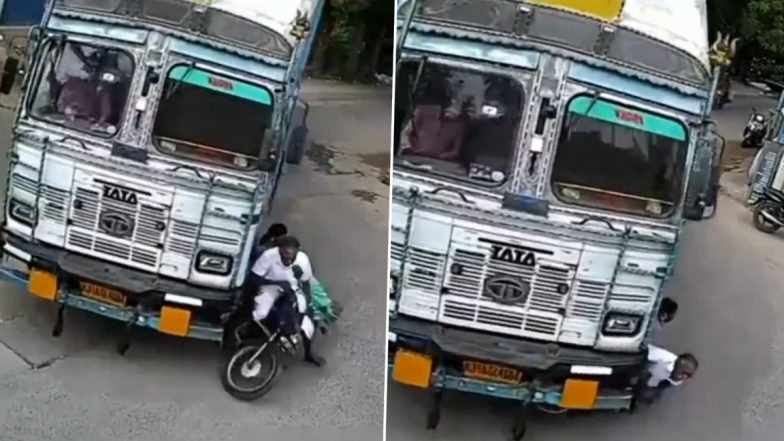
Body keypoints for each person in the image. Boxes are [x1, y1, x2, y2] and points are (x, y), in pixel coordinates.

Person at [248, 234, 325, 367]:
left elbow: (305, 282)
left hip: (293, 288)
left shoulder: (302, 260)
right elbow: (254, 278)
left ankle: (308, 353)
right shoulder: (268, 256)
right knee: (259, 314)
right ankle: (256, 340)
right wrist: (277, 283)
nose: (288, 258)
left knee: (306, 321)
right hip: (269, 286)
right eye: (284, 253)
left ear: (297, 251)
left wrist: (308, 302)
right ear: (279, 250)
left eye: (291, 254)